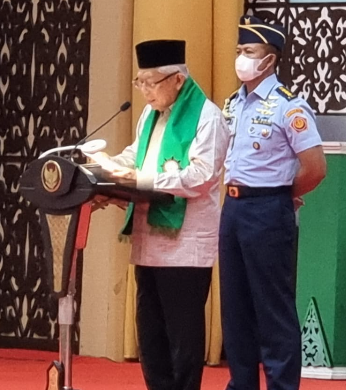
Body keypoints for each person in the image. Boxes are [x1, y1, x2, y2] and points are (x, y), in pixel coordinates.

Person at [92, 39, 229, 390]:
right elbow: (135, 157)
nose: (145, 92)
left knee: (181, 336)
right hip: (148, 240)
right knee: (150, 334)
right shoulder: (150, 115)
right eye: (140, 83)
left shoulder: (207, 117)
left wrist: (141, 178)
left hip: (185, 247)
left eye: (151, 82)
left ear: (178, 80)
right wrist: (103, 168)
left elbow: (200, 176)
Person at [219, 16, 327, 390]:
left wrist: (283, 193)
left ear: (269, 59)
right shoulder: (232, 104)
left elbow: (315, 167)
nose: (241, 59)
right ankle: (242, 383)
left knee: (273, 311)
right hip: (232, 209)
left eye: (249, 52)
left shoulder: (288, 108)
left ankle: (282, 385)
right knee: (235, 309)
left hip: (268, 210)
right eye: (238, 51)